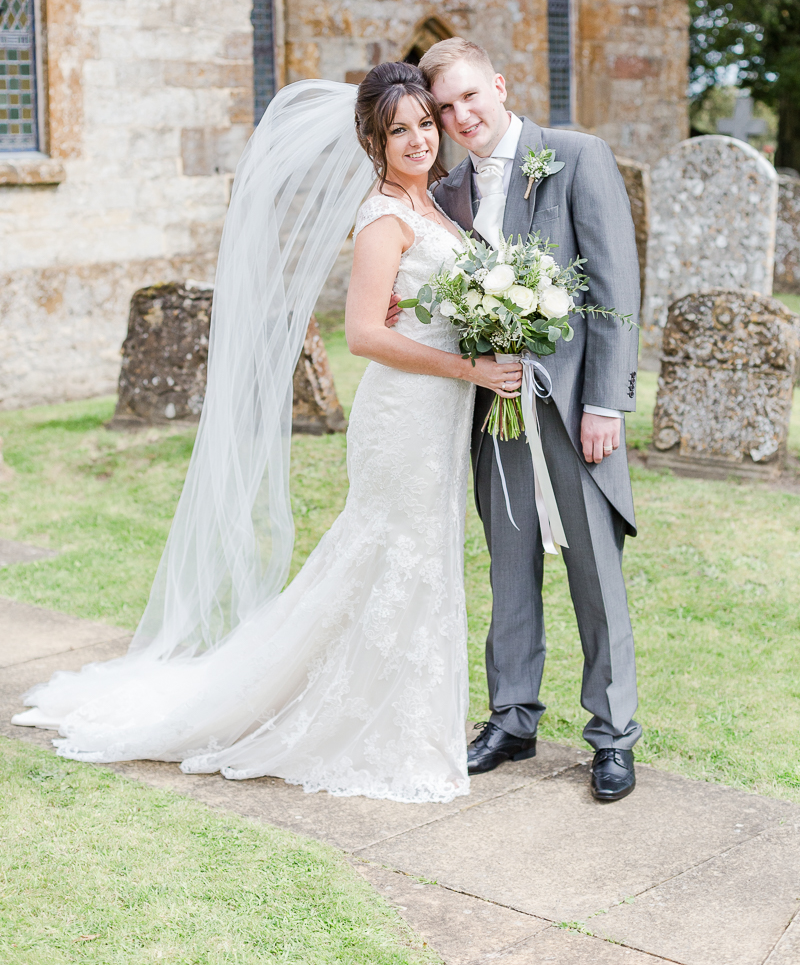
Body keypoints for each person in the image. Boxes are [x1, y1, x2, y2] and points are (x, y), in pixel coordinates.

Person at [13, 62, 521, 805]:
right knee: (393, 555)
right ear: (372, 142)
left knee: (416, 557)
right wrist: (470, 368)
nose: (415, 140)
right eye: (396, 131)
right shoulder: (385, 214)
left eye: (421, 124)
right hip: (406, 412)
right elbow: (363, 337)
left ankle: (405, 713)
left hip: (437, 412)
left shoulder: (435, 203)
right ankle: (372, 724)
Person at [391, 37, 642, 802]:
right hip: (492, 411)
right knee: (508, 566)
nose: (461, 115)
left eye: (471, 96)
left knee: (594, 575)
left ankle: (612, 735)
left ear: (498, 85)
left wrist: (606, 402)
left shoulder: (574, 155)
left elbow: (613, 283)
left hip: (573, 413)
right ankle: (512, 718)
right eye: (445, 107)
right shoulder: (450, 188)